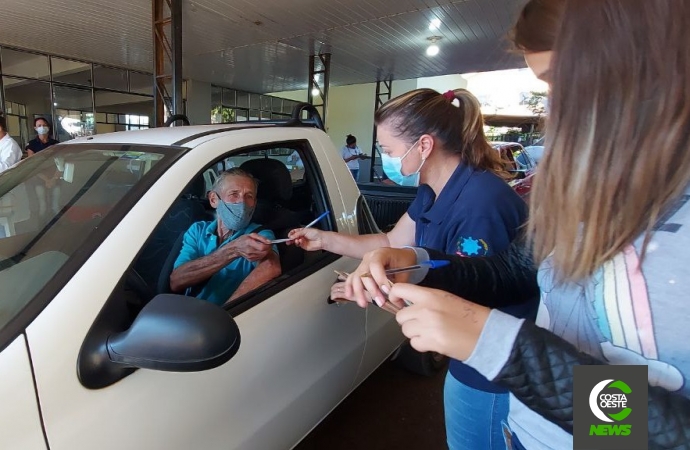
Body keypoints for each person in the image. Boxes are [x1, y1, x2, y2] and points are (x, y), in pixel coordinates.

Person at [345, 0, 690, 448]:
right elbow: (512, 271)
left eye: (565, 82)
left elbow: (666, 433)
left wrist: (502, 349)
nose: (555, 108)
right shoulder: (594, 191)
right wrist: (418, 262)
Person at [289, 88, 536, 450]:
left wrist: (374, 293)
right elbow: (391, 244)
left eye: (388, 151)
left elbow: (464, 302)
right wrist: (324, 240)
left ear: (423, 145)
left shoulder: (482, 204)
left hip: (493, 372)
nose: (386, 159)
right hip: (471, 360)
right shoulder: (431, 190)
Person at [170, 168, 282, 305]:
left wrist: (226, 311)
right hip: (188, 313)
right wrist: (232, 250)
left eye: (249, 196)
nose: (242, 202)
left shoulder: (259, 233)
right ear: (213, 199)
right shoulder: (198, 230)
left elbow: (271, 267)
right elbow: (176, 281)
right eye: (234, 194)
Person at [26, 118, 62, 217]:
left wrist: (54, 179)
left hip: (55, 177)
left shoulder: (55, 143)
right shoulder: (32, 144)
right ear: (35, 128)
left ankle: (60, 225)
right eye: (39, 125)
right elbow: (32, 165)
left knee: (56, 205)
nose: (42, 127)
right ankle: (42, 227)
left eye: (44, 125)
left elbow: (60, 163)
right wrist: (46, 180)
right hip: (39, 178)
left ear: (48, 127)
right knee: (43, 205)